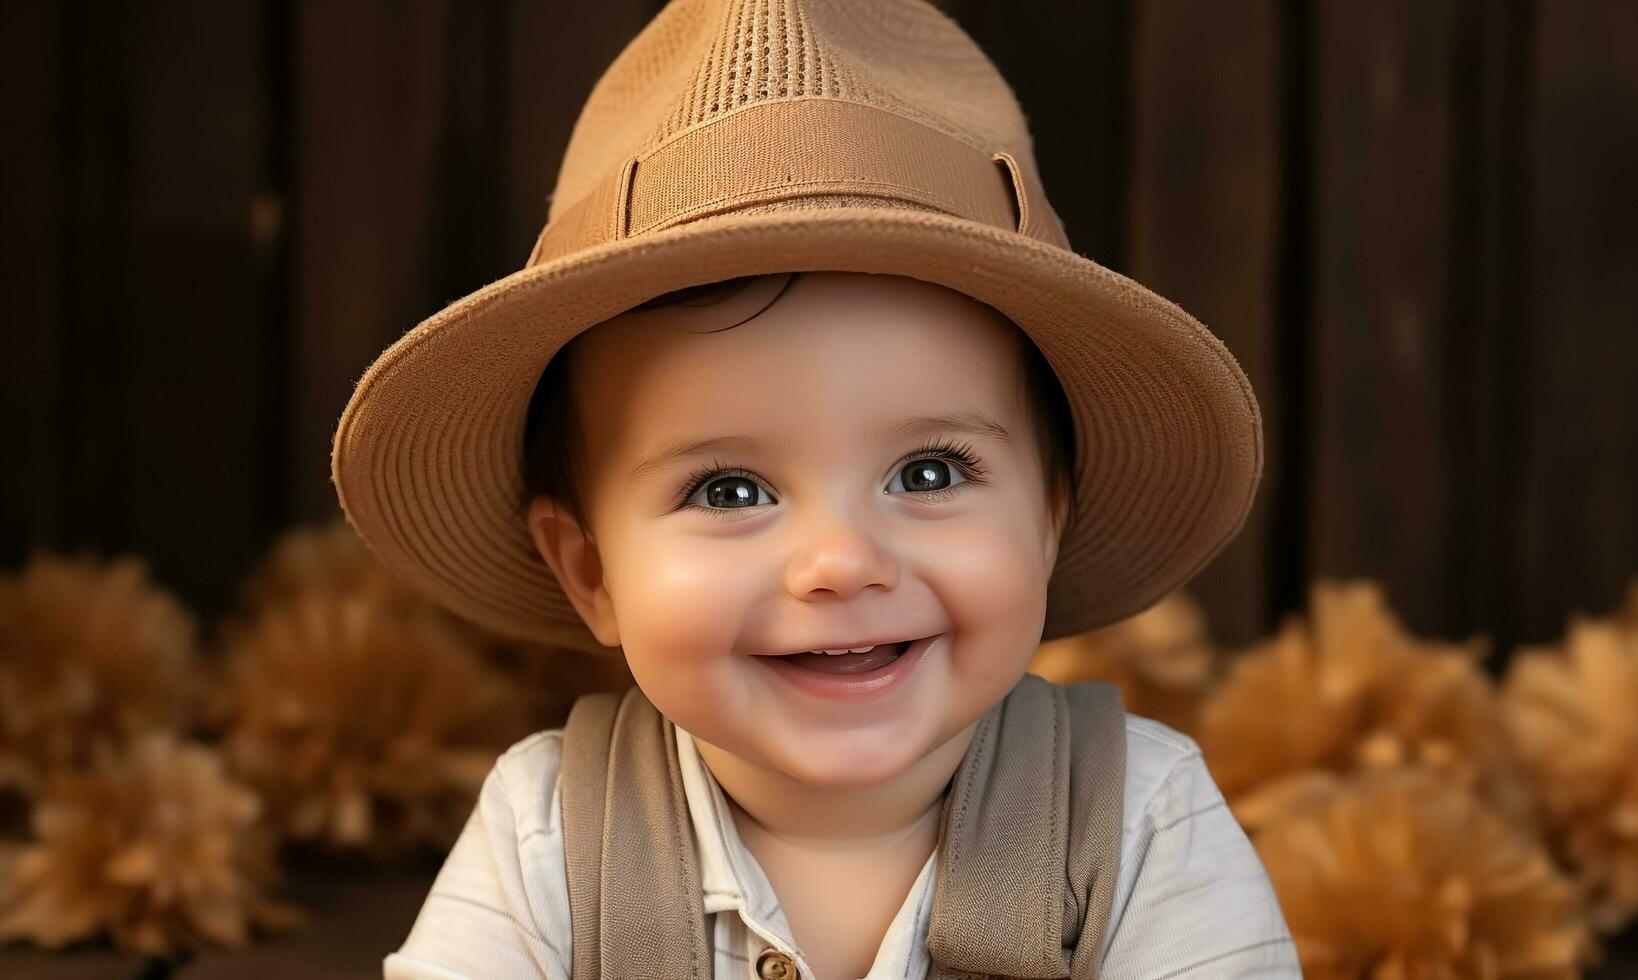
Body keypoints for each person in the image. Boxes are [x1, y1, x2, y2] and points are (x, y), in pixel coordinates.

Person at [332, 2, 1301, 978]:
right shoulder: (552, 830)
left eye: (928, 471)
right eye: (729, 489)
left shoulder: (1133, 816)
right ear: (590, 572)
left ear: (1048, 519)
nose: (840, 561)